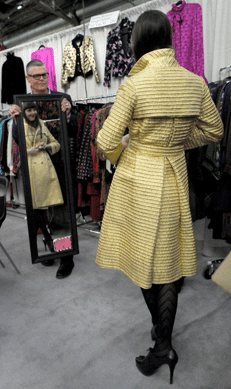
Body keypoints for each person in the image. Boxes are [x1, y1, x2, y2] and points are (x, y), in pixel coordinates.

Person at [95, 10, 224, 384]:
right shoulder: (194, 82)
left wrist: (131, 143)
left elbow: (105, 143)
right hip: (174, 175)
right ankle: (162, 338)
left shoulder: (134, 86)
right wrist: (180, 141)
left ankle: (162, 341)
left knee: (142, 258)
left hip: (139, 179)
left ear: (137, 42)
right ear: (169, 37)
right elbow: (214, 129)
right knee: (165, 259)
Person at [10, 59, 78, 279]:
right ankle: (50, 245)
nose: (41, 79)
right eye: (36, 76)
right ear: (28, 79)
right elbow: (16, 138)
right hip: (36, 167)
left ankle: (65, 255)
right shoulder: (22, 104)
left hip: (60, 165)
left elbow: (74, 129)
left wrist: (68, 114)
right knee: (40, 212)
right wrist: (14, 118)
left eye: (44, 75)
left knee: (61, 212)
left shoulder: (62, 99)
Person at [23, 101, 63, 252]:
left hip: (45, 169)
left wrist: (47, 146)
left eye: (34, 110)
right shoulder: (19, 126)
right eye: (28, 110)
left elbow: (56, 143)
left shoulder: (42, 125)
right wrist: (28, 151)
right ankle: (47, 240)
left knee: (40, 208)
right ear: (24, 112)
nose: (32, 113)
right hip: (32, 170)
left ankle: (46, 244)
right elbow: (15, 151)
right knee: (37, 208)